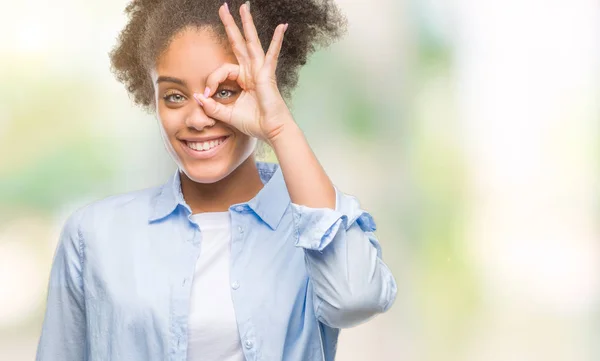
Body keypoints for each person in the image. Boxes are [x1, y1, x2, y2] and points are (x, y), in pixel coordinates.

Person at [35, 0, 397, 360]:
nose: (198, 118)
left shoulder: (317, 222)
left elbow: (355, 300)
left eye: (225, 91)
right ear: (152, 100)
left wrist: (280, 127)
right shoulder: (94, 235)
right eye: (174, 97)